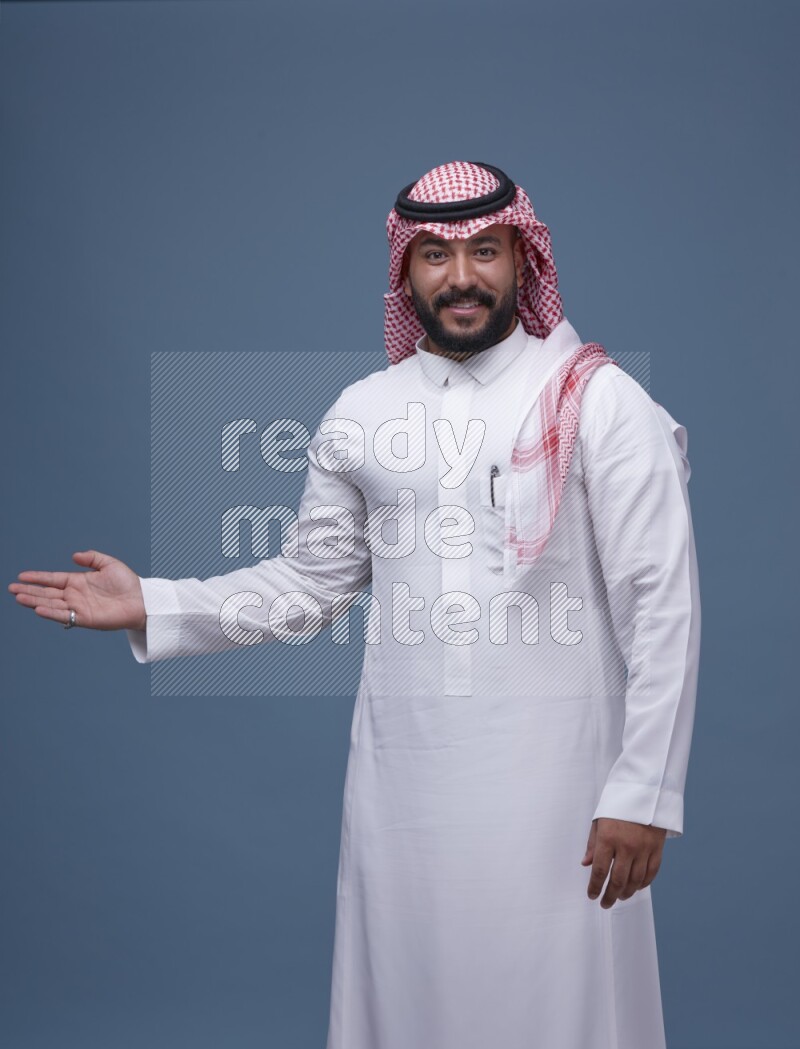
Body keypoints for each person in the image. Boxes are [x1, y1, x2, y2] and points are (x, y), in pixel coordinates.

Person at [9, 161, 701, 1049]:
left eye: (485, 252)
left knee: (555, 1009)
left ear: (523, 262)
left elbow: (663, 604)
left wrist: (644, 791)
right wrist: (154, 602)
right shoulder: (362, 413)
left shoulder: (601, 403)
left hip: (560, 789)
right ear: (403, 273)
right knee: (410, 1010)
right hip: (403, 788)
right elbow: (308, 586)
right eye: (435, 257)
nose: (461, 278)